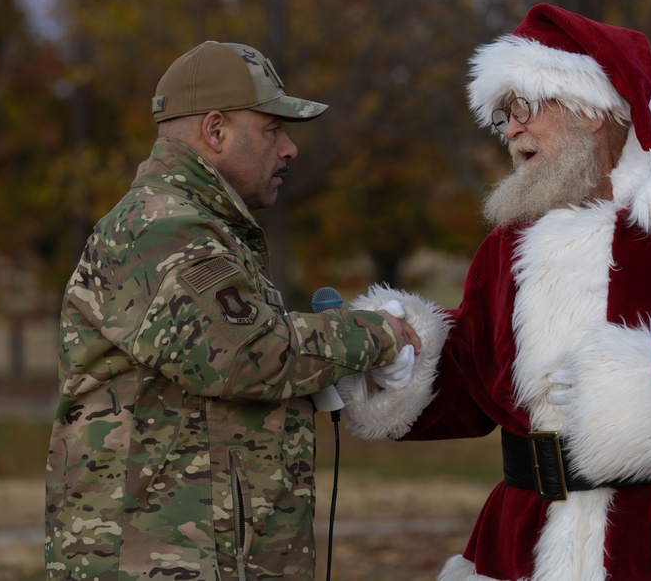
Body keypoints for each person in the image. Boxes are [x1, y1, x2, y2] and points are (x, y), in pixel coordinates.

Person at [335, 4, 651, 580]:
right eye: (503, 115)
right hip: (527, 540)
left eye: (522, 107)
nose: (510, 130)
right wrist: (403, 356)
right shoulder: (507, 244)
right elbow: (477, 379)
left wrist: (649, 394)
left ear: (591, 111)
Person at [45, 40, 419, 581]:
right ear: (216, 131)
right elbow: (248, 355)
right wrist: (376, 335)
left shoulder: (204, 228)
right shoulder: (164, 228)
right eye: (272, 129)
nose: (289, 148)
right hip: (160, 561)